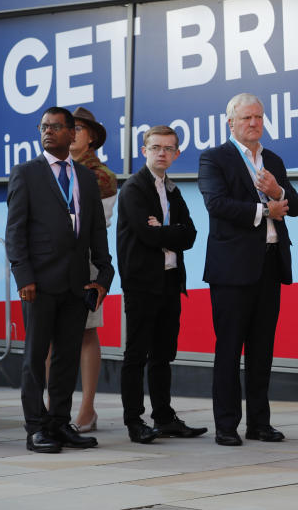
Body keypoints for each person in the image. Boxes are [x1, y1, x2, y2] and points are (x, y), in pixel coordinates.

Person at [5, 106, 114, 453]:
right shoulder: (26, 173)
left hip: (77, 284)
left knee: (67, 356)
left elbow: (97, 230)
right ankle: (36, 427)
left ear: (72, 134)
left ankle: (59, 422)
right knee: (36, 358)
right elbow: (15, 232)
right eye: (44, 127)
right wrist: (23, 275)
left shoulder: (84, 178)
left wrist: (104, 275)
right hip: (38, 283)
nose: (48, 132)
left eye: (56, 127)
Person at [198, 93, 298, 446]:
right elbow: (217, 204)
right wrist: (264, 211)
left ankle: (259, 423)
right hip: (232, 269)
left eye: (258, 117)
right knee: (229, 348)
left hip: (270, 265)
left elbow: (297, 206)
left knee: (262, 349)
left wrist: (279, 190)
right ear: (230, 123)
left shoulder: (272, 159)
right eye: (246, 118)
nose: (254, 123)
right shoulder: (215, 158)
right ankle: (226, 425)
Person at [118, 125, 205, 443]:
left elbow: (191, 235)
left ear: (177, 153)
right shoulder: (133, 189)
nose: (162, 153)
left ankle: (164, 417)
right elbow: (146, 235)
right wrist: (172, 231)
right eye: (156, 148)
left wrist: (164, 229)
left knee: (163, 354)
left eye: (169, 148)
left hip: (170, 281)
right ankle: (133, 421)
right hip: (142, 284)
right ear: (144, 151)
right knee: (136, 354)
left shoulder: (173, 190)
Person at [64, 107, 117, 434]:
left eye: (78, 129)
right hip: (52, 261)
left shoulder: (102, 176)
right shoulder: (52, 167)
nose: (71, 133)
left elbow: (97, 222)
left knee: (85, 332)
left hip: (84, 260)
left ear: (92, 137)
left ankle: (87, 409)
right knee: (50, 336)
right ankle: (50, 406)